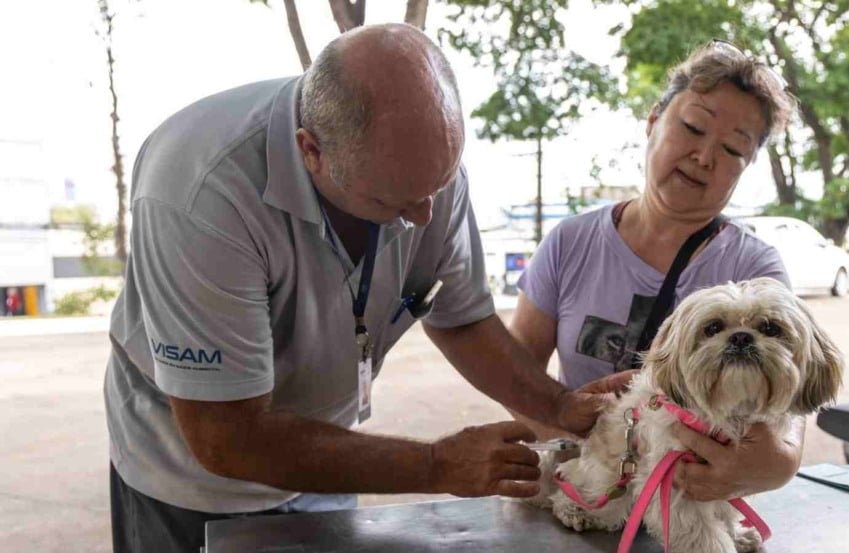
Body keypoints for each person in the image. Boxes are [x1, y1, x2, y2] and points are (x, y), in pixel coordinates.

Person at [104, 23, 631, 553]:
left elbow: (461, 319)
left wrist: (558, 406)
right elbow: (226, 437)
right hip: (189, 487)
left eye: (439, 185)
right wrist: (435, 465)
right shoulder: (201, 195)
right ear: (311, 151)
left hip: (323, 462)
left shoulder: (419, 168)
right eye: (393, 201)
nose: (424, 216)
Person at [509, 41, 805, 502]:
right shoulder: (570, 242)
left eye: (732, 149)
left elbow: (790, 408)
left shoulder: (754, 268)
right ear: (653, 120)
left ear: (746, 167)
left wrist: (776, 465)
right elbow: (515, 376)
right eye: (693, 127)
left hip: (692, 503)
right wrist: (592, 452)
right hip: (586, 497)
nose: (704, 157)